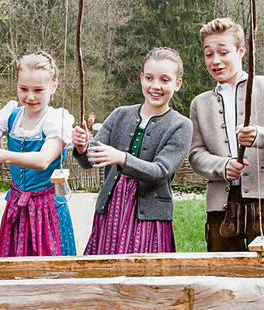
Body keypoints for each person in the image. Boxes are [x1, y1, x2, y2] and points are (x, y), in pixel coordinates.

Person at [0, 52, 76, 257]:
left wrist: (4, 155)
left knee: (49, 269)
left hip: (47, 210)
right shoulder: (11, 115)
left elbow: (44, 160)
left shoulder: (57, 120)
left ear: (53, 86)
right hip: (17, 206)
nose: (30, 96)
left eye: (38, 90)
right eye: (23, 89)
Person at [187, 18, 264, 252]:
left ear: (241, 51)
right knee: (223, 277)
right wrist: (222, 166)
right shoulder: (200, 103)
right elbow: (195, 154)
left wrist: (257, 135)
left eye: (223, 52)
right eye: (208, 54)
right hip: (221, 205)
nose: (215, 61)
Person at [71, 48, 192, 255]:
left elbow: (160, 171)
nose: (155, 86)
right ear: (141, 78)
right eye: (149, 78)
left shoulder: (181, 125)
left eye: (165, 80)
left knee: (143, 278)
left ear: (177, 84)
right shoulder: (120, 114)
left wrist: (121, 158)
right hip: (110, 211)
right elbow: (90, 159)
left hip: (149, 217)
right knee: (104, 273)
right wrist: (82, 147)